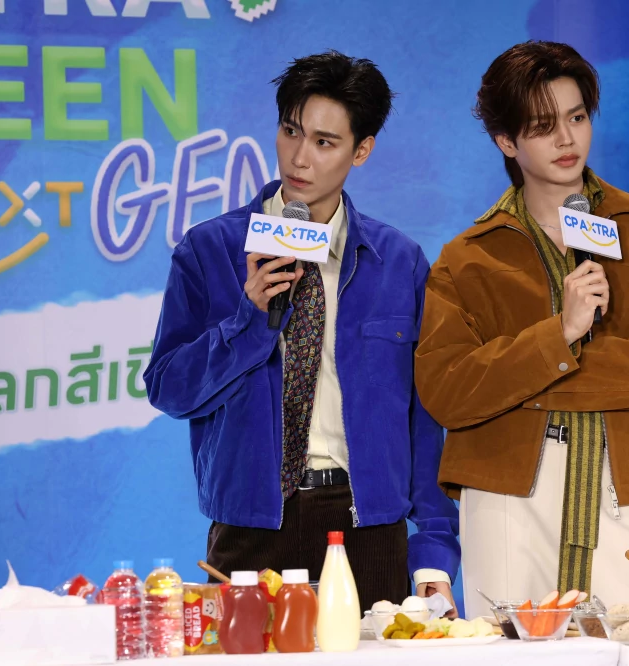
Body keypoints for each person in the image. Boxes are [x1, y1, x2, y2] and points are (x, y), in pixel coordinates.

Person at [414, 41, 629, 618]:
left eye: (577, 118)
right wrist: (560, 334)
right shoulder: (467, 259)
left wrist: (523, 381)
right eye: (543, 126)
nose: (566, 139)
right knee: (511, 651)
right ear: (506, 141)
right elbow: (447, 391)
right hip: (505, 496)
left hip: (620, 481)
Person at [144, 51, 459, 612]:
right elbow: (169, 389)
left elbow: (423, 416)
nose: (299, 157)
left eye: (324, 142)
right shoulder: (210, 250)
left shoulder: (398, 261)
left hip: (367, 528)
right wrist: (248, 319)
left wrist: (433, 550)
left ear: (361, 150)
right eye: (290, 131)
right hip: (251, 526)